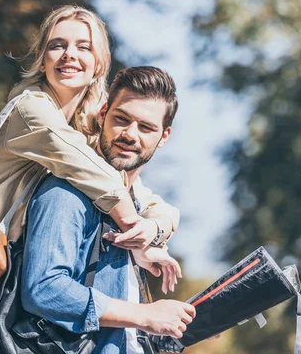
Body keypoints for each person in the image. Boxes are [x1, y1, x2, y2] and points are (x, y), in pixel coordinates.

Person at [0, 6, 181, 353]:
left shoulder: (78, 129)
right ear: (42, 58)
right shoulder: (31, 110)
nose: (69, 55)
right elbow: (109, 184)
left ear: (100, 63)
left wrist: (155, 229)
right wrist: (139, 239)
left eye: (84, 47)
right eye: (57, 45)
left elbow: (143, 196)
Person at [22, 66, 195, 353]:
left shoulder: (135, 206)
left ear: (164, 137)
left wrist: (179, 323)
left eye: (146, 127)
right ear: (103, 114)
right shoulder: (67, 192)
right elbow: (43, 289)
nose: (130, 134)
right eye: (121, 119)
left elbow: (119, 320)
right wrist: (146, 315)